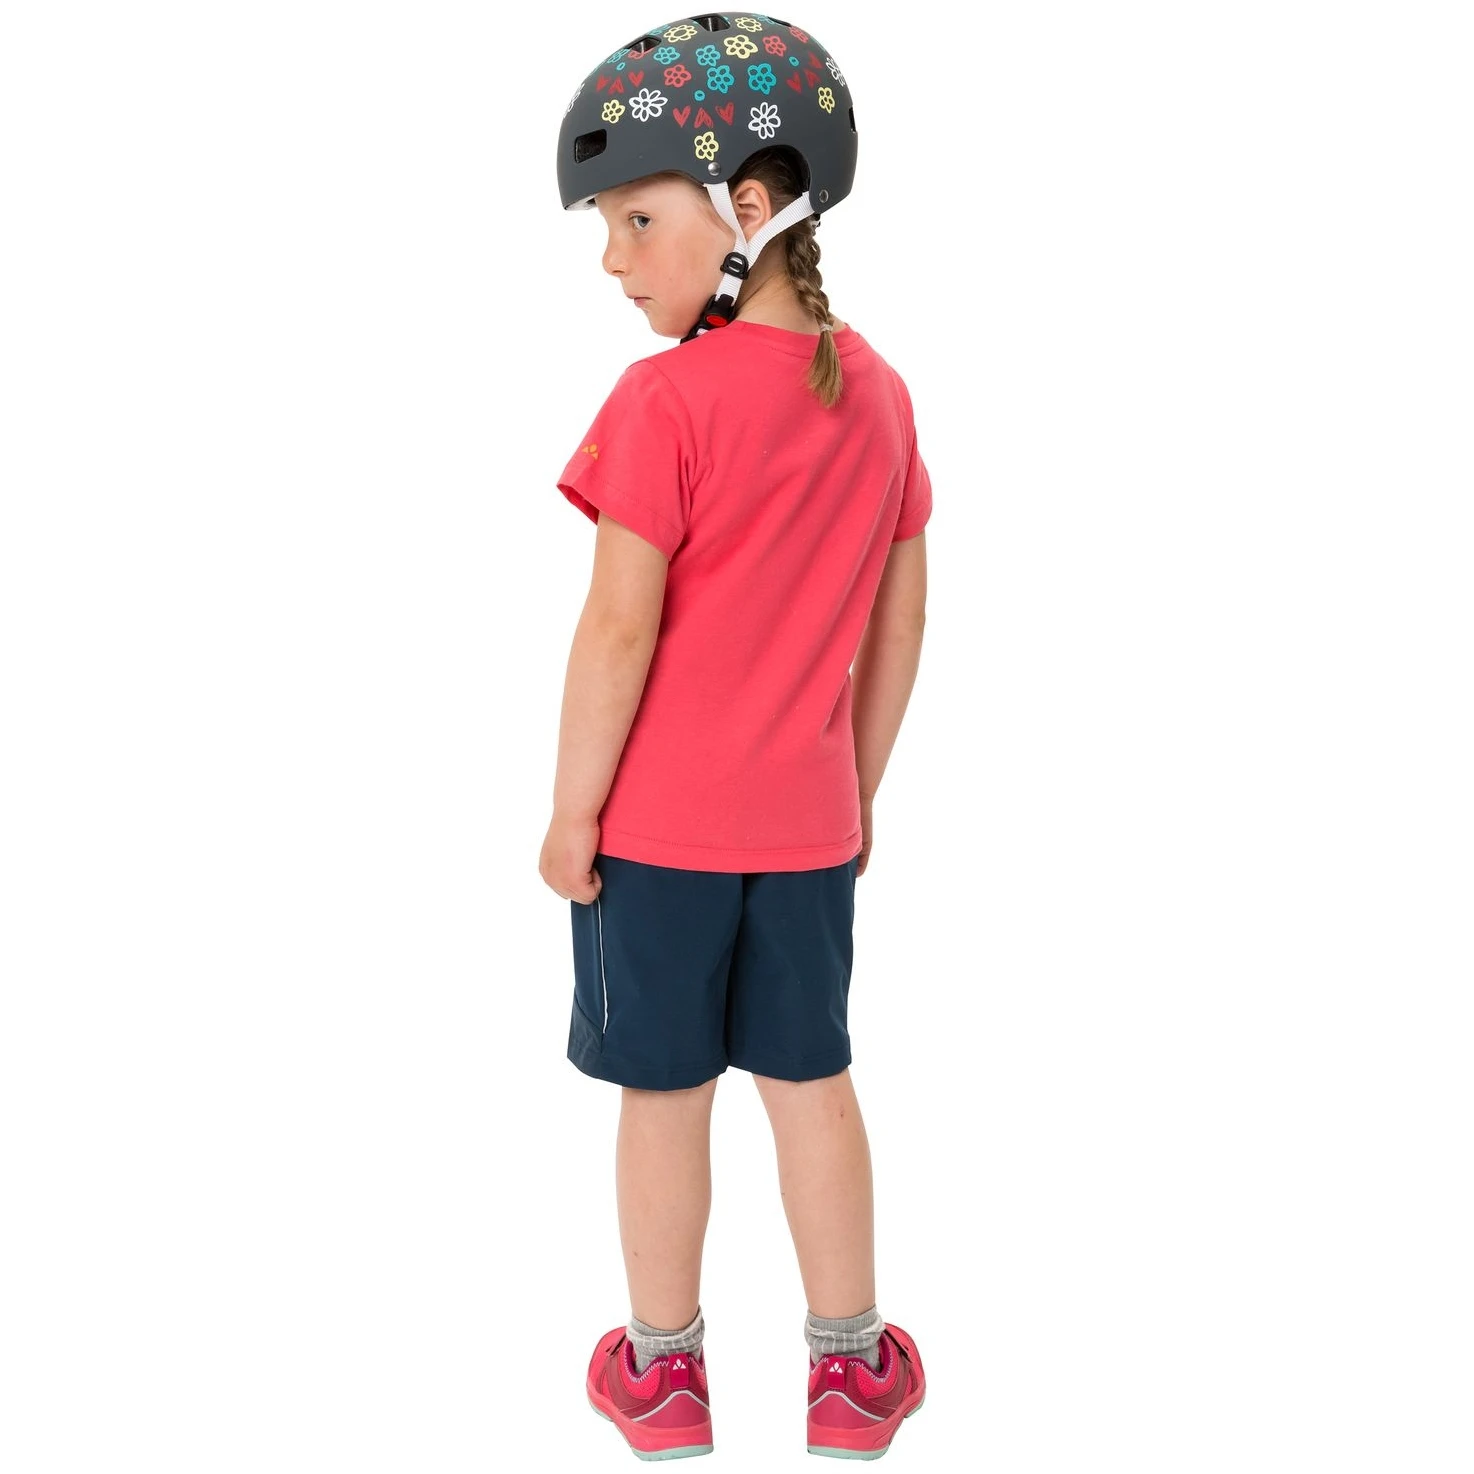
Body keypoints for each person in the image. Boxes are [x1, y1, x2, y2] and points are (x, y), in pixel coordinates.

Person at [539, 14, 930, 1461]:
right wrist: (855, 790)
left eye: (637, 218)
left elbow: (615, 633)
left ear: (749, 206)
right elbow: (899, 621)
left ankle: (661, 1376)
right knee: (811, 1083)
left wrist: (569, 814)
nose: (613, 256)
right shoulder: (878, 394)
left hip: (655, 838)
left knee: (663, 1096)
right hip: (808, 832)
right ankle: (851, 1369)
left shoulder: (664, 401)